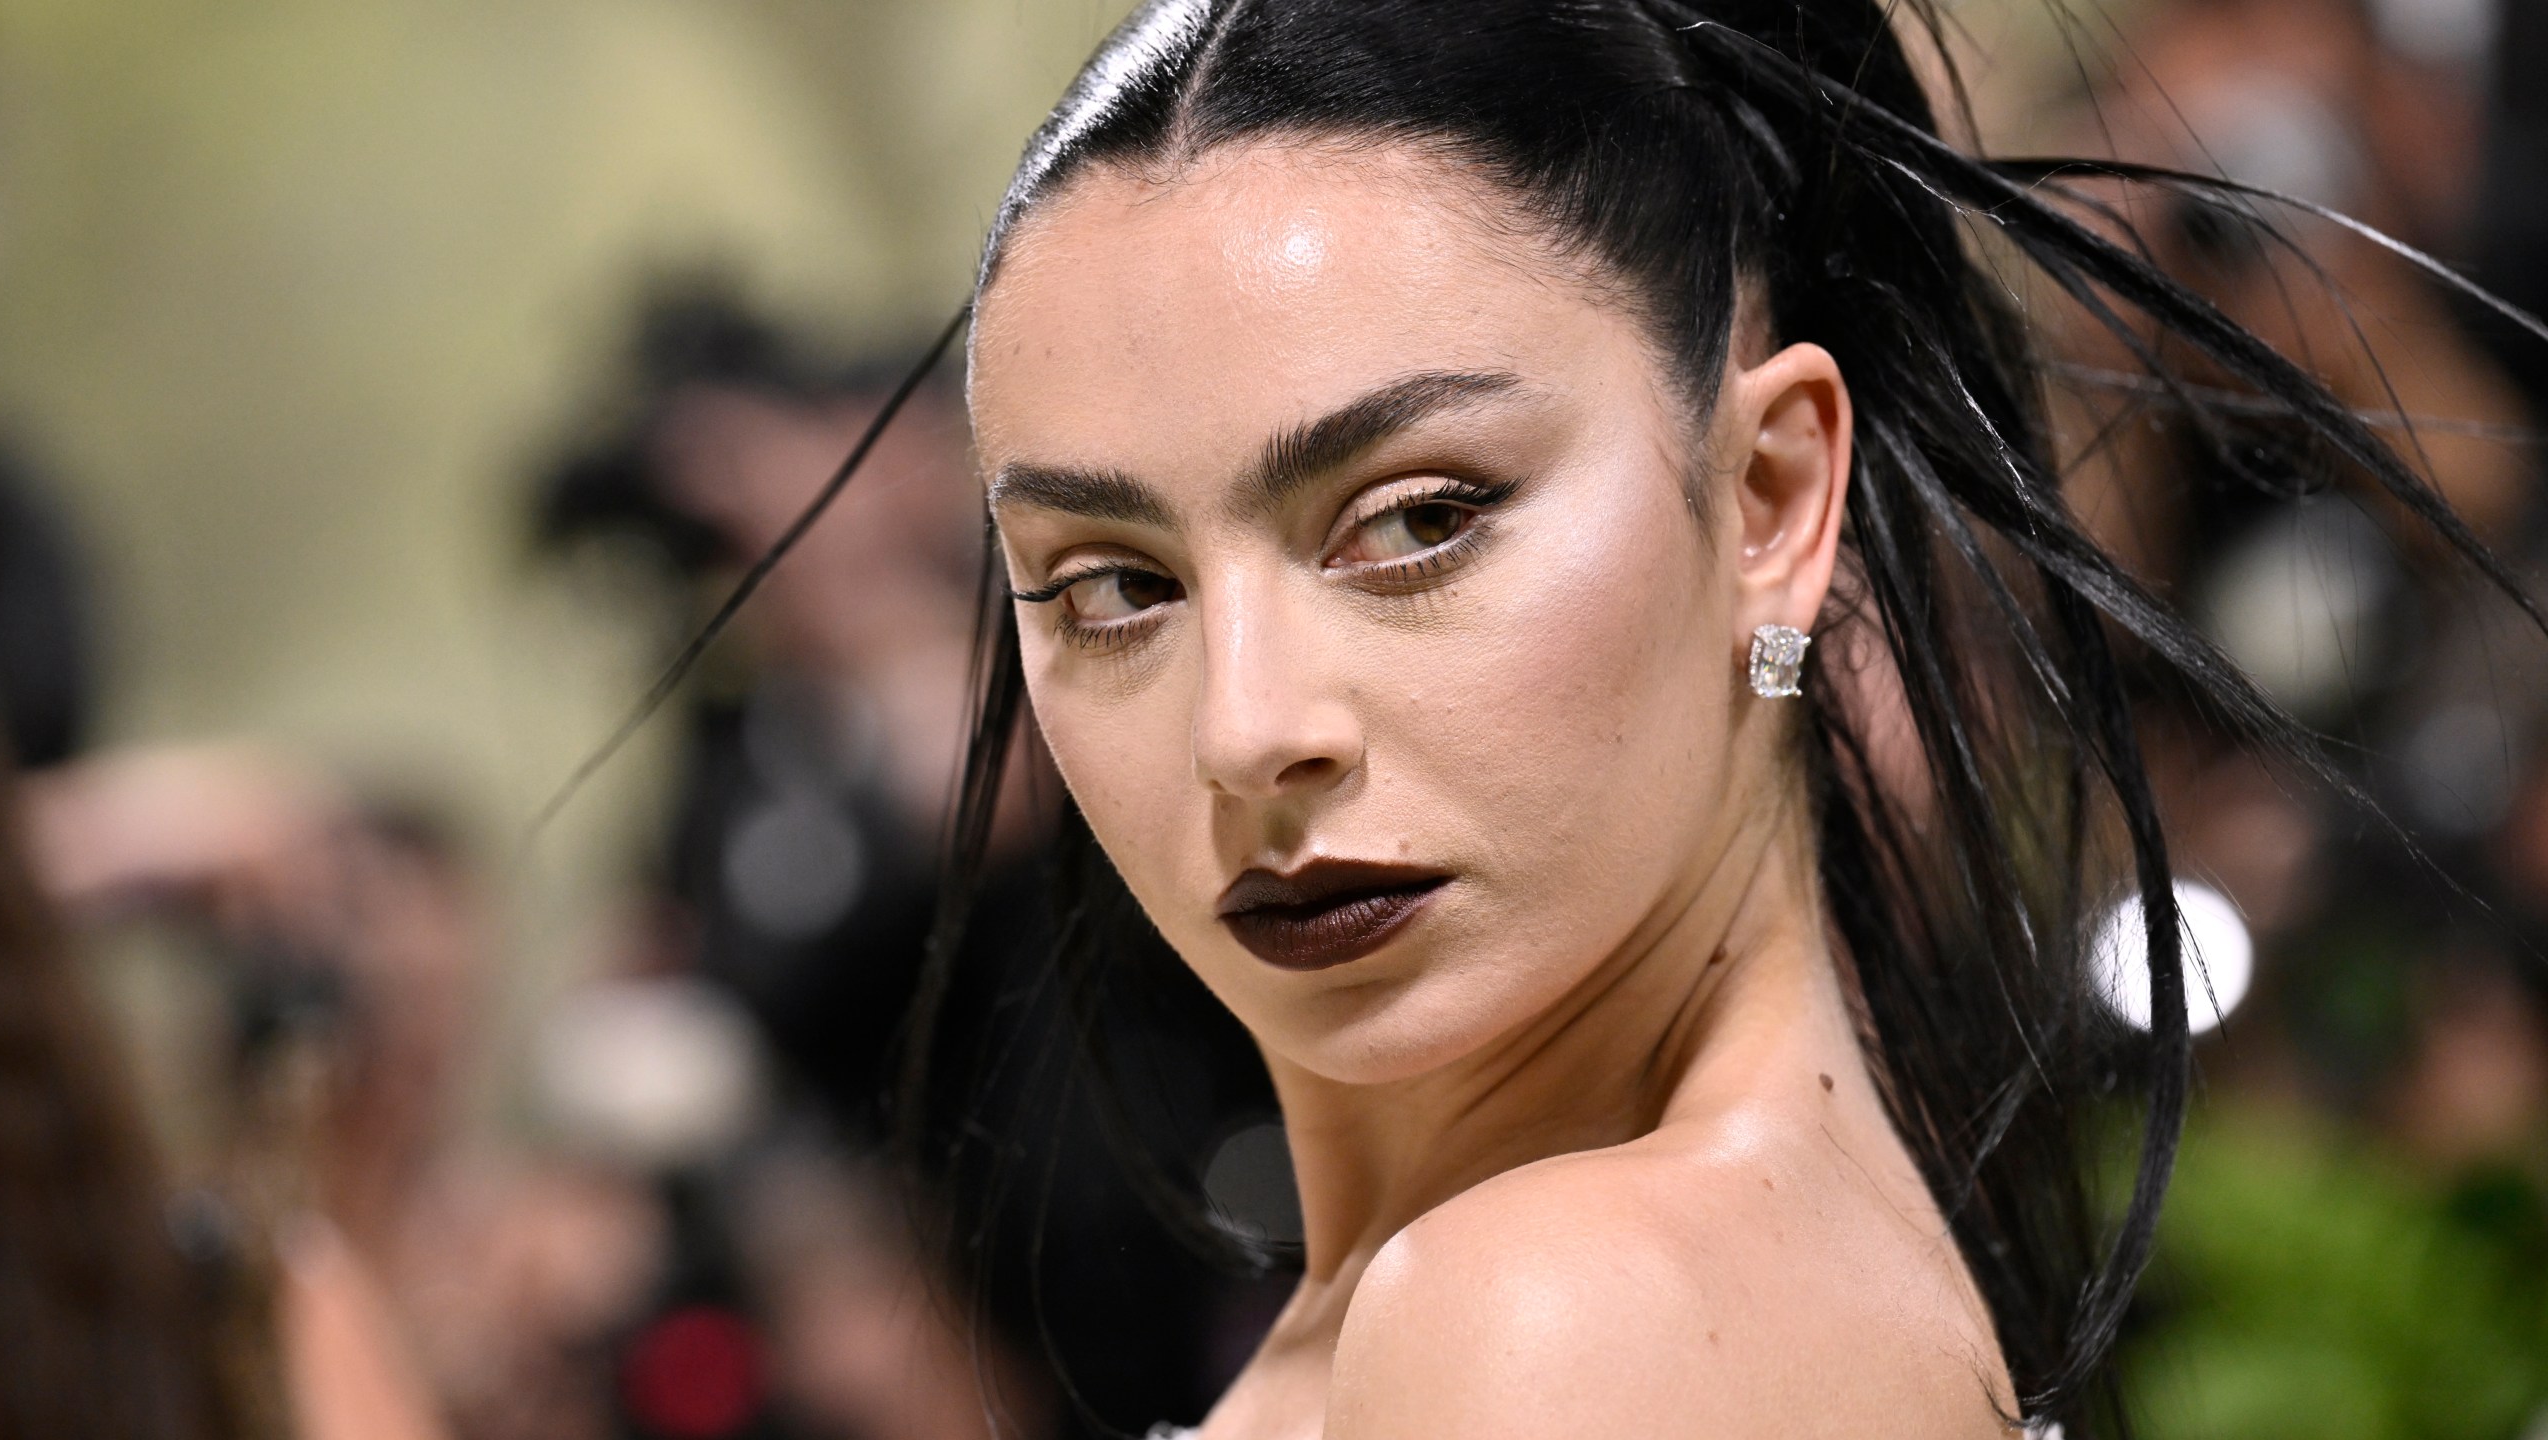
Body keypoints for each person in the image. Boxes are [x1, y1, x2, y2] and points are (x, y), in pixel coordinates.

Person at [594, 1, 2536, 1435]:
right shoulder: (1639, 1290)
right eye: (1113, 585)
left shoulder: (1549, 1329)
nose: (1246, 729)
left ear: (1771, 497)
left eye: (1415, 521)